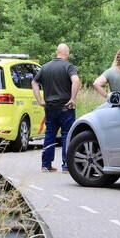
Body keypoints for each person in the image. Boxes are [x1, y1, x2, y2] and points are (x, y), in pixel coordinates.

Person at [32, 43, 80, 172]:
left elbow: (34, 82)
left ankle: (46, 165)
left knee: (50, 134)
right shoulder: (68, 66)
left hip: (49, 107)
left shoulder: (45, 67)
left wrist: (40, 100)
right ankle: (66, 165)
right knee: (66, 135)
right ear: (67, 53)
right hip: (66, 107)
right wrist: (73, 99)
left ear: (56, 52)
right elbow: (76, 81)